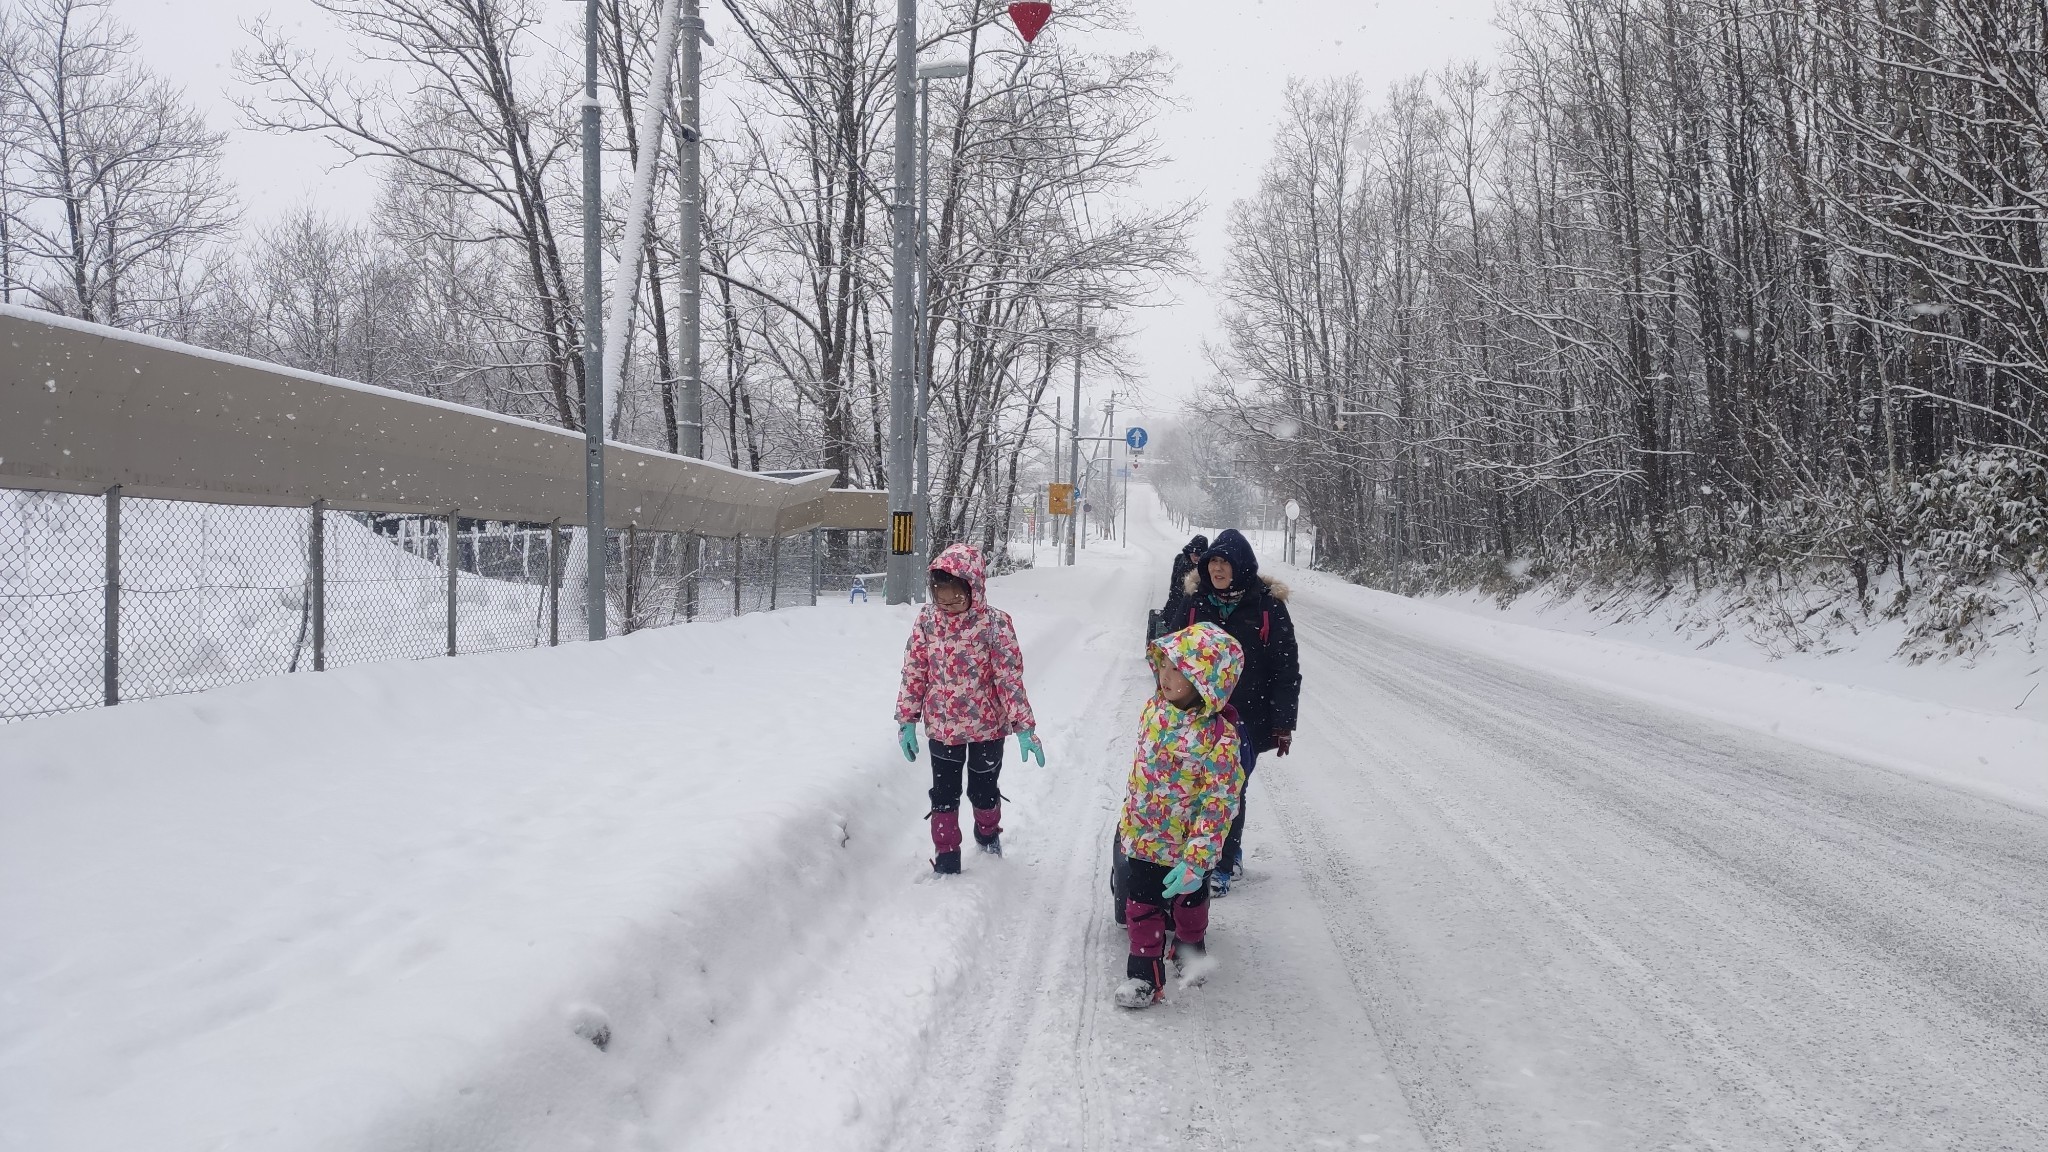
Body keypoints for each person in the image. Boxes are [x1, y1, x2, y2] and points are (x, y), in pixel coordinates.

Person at [1114, 621, 1245, 1008]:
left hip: (1186, 846)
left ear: (1206, 682)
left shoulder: (1219, 737)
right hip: (1143, 834)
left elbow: (1219, 803)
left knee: (1189, 904)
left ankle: (1190, 946)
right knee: (1141, 905)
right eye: (1165, 666)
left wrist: (1198, 857)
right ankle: (1143, 977)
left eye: (1180, 672)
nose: (1167, 677)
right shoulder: (1154, 707)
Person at [895, 543, 1045, 874]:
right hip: (943, 728)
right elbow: (915, 670)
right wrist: (907, 720)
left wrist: (1024, 727)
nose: (947, 605)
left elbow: (1009, 679)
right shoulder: (927, 621)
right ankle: (947, 852)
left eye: (955, 598)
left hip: (987, 728)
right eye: (940, 597)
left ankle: (988, 832)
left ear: (974, 589)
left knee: (983, 789)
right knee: (944, 794)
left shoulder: (994, 624)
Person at [1181, 529, 1300, 895]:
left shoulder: (1267, 607)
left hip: (1245, 718)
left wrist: (1282, 722)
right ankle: (1196, 853)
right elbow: (1172, 656)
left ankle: (1224, 860)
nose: (1217, 569)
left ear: (1241, 566)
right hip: (1198, 714)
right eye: (1212, 562)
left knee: (1229, 788)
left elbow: (1285, 669)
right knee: (1194, 787)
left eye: (1224, 562)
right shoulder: (1195, 603)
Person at [1160, 534, 1209, 627]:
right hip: (1176, 600)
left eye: (1199, 555)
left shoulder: (1206, 567)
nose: (1196, 558)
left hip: (1193, 606)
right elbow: (1174, 584)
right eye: (1194, 554)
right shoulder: (1180, 560)